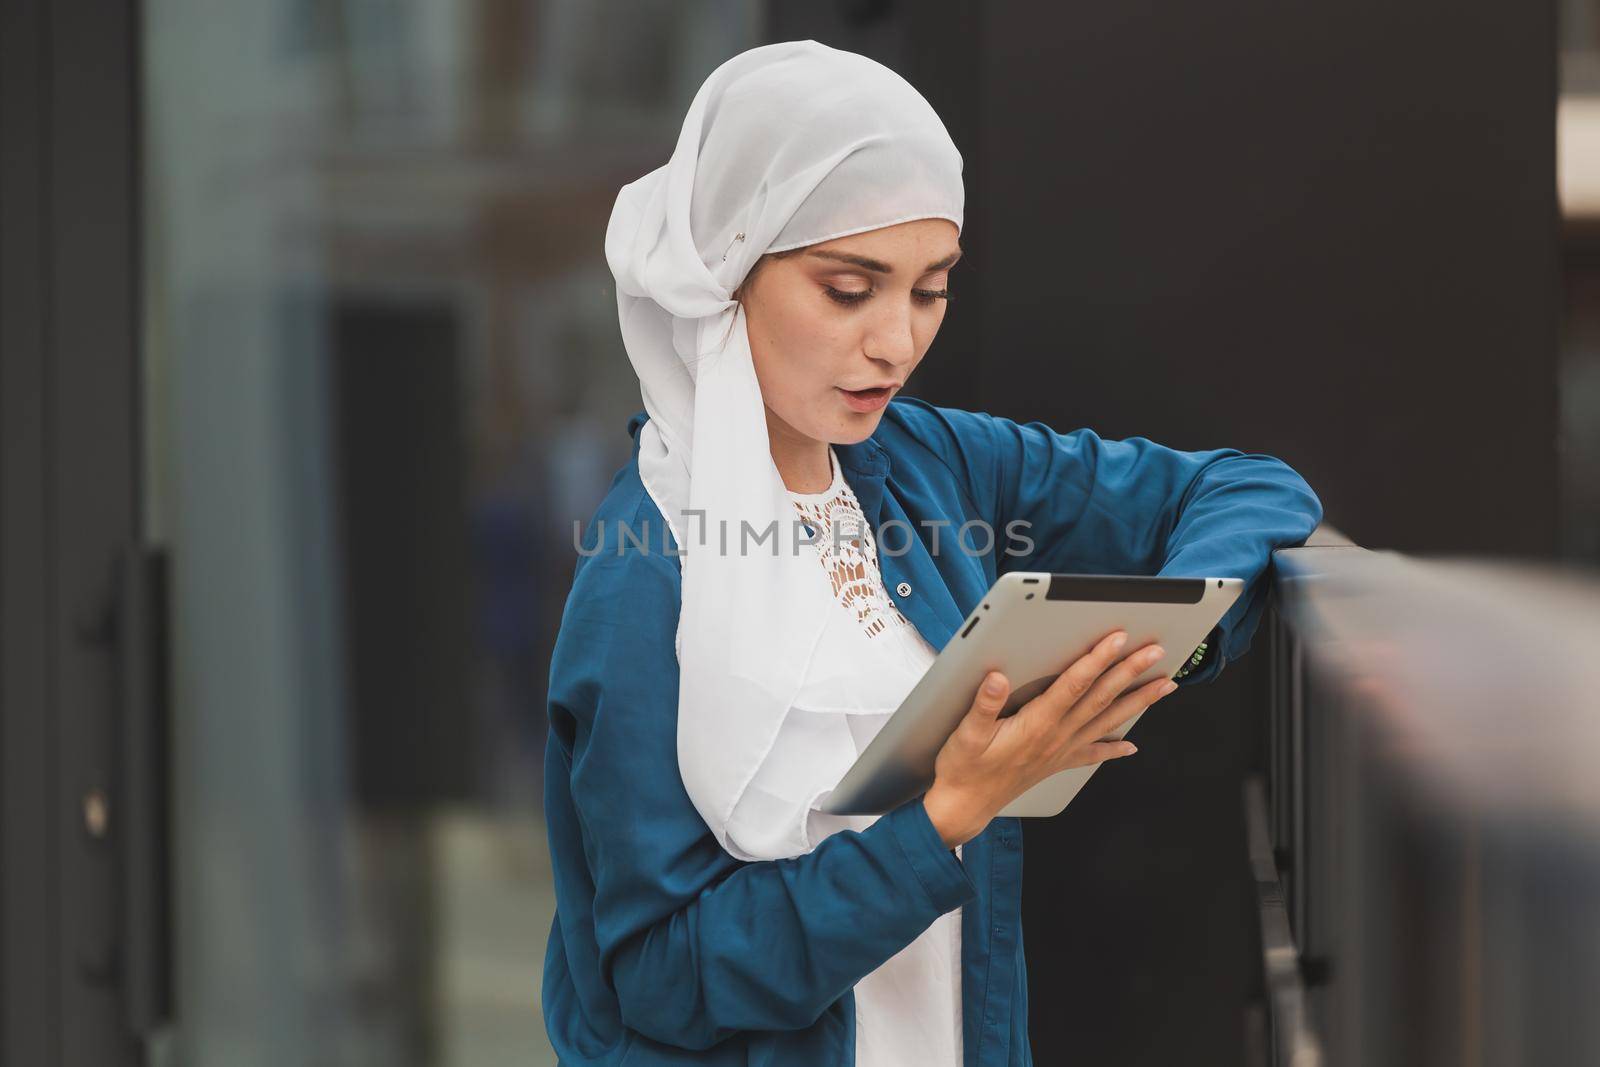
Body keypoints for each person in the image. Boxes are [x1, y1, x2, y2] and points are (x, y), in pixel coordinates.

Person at [540, 40, 1323, 1066]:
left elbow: (1251, 488)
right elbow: (664, 979)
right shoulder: (643, 571)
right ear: (731, 269)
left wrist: (1154, 645)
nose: (896, 343)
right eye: (849, 288)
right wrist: (947, 811)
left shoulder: (924, 460)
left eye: (929, 288)